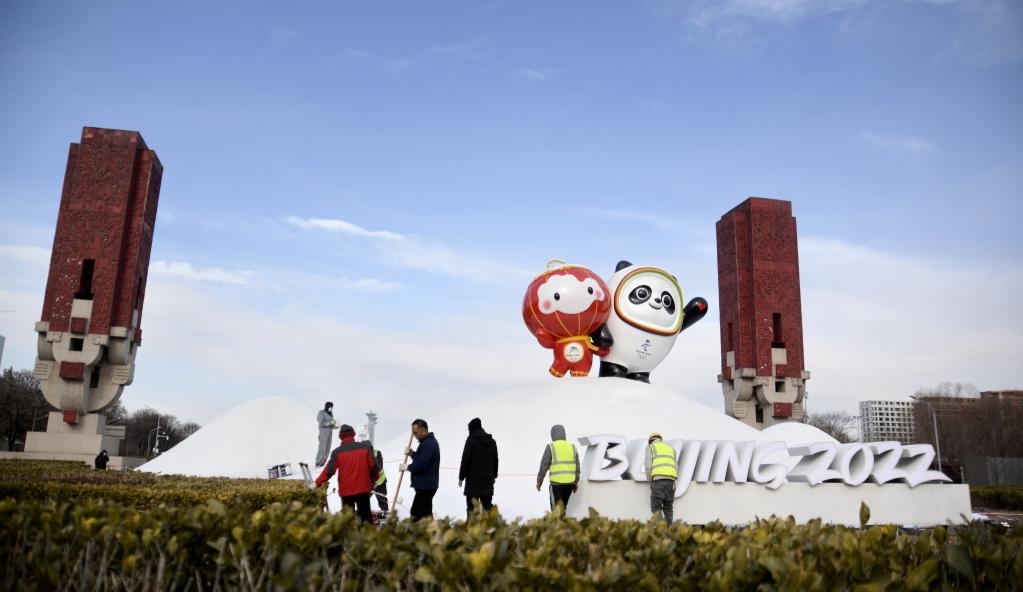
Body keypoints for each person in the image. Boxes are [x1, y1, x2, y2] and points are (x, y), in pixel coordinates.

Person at [314, 424, 378, 523]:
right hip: (363, 489)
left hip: (346, 491)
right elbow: (374, 468)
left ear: (340, 437)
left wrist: (317, 483)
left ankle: (350, 532)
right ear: (353, 434)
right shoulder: (365, 448)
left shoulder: (337, 452)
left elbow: (329, 471)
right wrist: (373, 480)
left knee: (348, 520)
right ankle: (367, 532)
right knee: (366, 518)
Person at [458, 417, 499, 517]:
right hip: (487, 482)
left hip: (473, 483)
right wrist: (494, 476)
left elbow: (465, 460)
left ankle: (473, 527)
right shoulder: (492, 442)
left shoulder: (470, 441)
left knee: (472, 511)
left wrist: (461, 477)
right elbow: (495, 461)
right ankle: (491, 527)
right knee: (488, 509)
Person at [400, 418, 439, 521]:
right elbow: (422, 458)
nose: (414, 435)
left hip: (426, 485)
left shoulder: (428, 444)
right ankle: (430, 529)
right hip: (426, 485)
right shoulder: (426, 442)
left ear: (423, 430)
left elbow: (421, 466)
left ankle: (420, 530)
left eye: (415, 432)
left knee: (417, 513)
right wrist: (412, 454)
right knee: (424, 513)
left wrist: (407, 467)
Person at [536, 424, 579, 511]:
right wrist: (575, 482)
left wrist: (539, 482)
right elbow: (577, 467)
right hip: (569, 484)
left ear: (552, 435)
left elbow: (544, 465)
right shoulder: (572, 447)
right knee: (564, 509)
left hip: (556, 485)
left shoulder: (551, 447)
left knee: (556, 511)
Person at [644, 432, 678, 523]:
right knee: (668, 508)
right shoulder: (671, 449)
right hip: (671, 482)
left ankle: (661, 529)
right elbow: (676, 467)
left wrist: (650, 481)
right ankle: (670, 529)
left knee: (656, 508)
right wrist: (674, 481)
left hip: (658, 481)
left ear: (650, 441)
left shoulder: (651, 447)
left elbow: (648, 466)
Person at [315, 401, 336, 467]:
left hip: (330, 432)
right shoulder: (321, 413)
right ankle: (318, 461)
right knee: (322, 447)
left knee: (328, 447)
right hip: (323, 432)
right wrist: (329, 423)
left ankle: (324, 460)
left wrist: (335, 425)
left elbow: (332, 424)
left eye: (332, 407)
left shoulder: (331, 414)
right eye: (330, 407)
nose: (331, 409)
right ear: (327, 406)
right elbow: (321, 422)